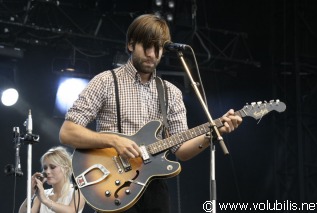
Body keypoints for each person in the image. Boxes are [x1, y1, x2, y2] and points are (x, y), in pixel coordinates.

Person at [59, 14, 242, 213]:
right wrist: (114, 141)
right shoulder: (105, 82)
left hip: (154, 189)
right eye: (146, 46)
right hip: (113, 186)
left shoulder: (171, 92)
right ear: (130, 45)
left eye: (158, 48)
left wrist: (213, 133)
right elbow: (67, 132)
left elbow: (181, 150)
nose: (152, 54)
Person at [18, 146, 86, 213]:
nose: (47, 171)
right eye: (45, 168)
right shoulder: (42, 194)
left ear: (65, 169)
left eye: (52, 167)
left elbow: (72, 211)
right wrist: (30, 194)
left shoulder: (78, 192)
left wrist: (45, 200)